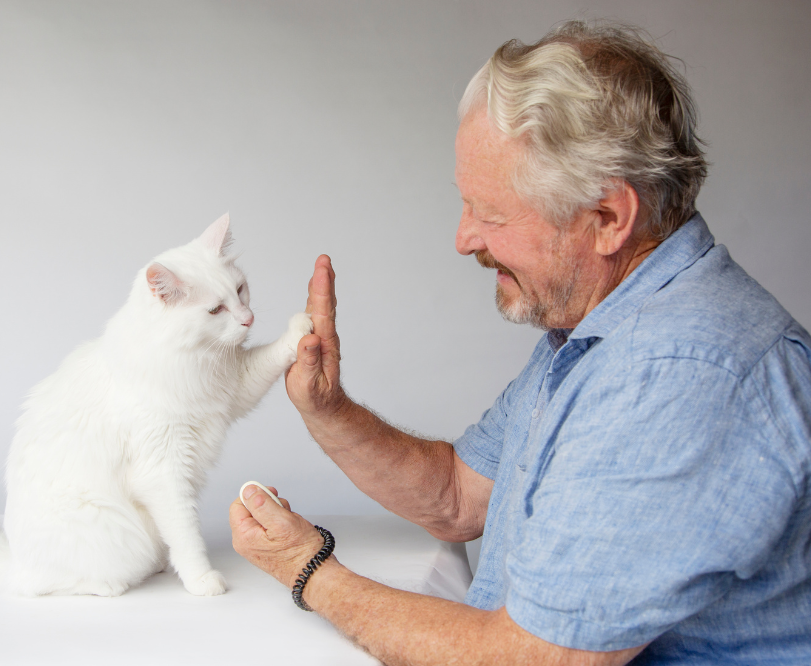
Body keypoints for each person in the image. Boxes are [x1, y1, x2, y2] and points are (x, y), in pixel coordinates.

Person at [229, 21, 811, 665]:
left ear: (609, 219)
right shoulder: (602, 327)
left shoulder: (678, 373)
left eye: (494, 215)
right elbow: (457, 497)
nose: (464, 238)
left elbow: (532, 660)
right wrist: (326, 408)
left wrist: (310, 573)